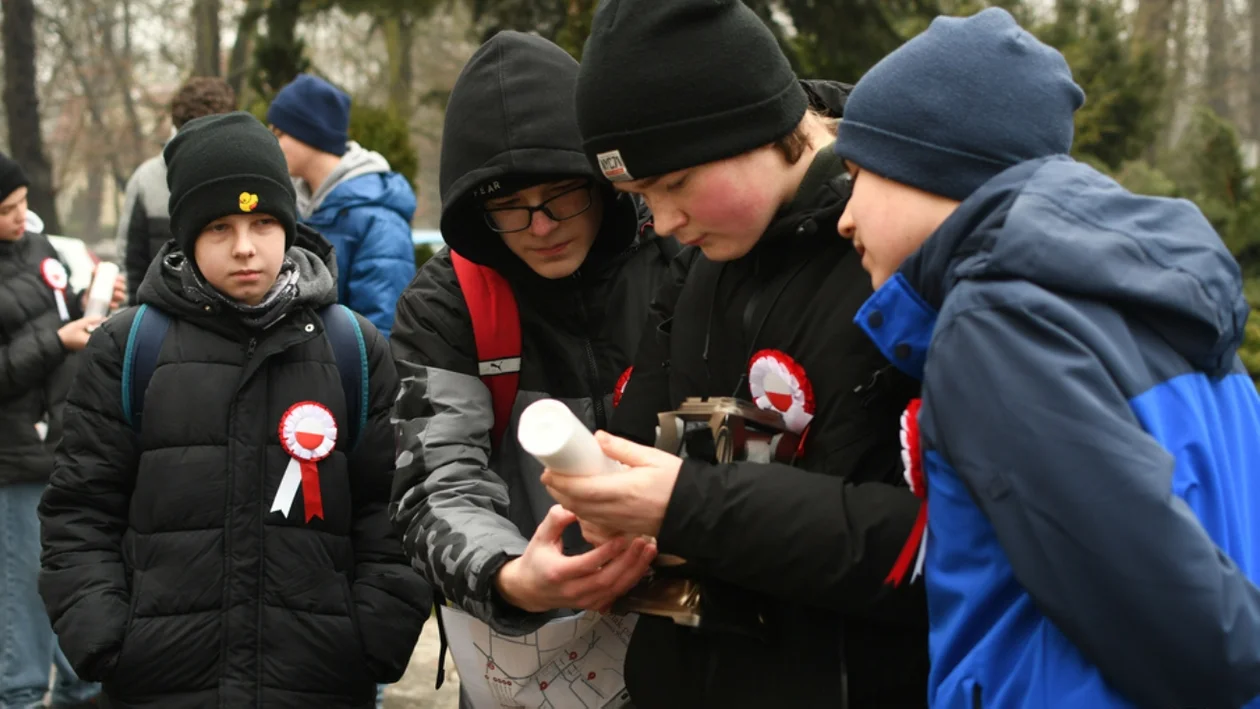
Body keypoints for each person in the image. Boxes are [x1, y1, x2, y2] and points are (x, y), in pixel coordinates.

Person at [831, 8, 1260, 709]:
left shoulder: (999, 325)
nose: (845, 215)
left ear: (931, 164)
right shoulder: (1158, 302)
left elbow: (1187, 628)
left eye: (858, 174)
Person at [543, 1, 928, 707]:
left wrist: (687, 503)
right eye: (639, 197)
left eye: (675, 184)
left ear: (760, 127)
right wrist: (611, 519)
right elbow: (688, 446)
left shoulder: (903, 253)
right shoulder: (703, 263)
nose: (663, 222)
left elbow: (938, 549)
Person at [38, 112, 430, 709]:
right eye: (219, 226)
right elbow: (80, 510)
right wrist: (105, 640)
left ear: (289, 226)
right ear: (187, 235)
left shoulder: (352, 347)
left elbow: (392, 511)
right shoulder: (128, 348)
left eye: (263, 222)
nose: (245, 247)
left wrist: (372, 638)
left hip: (318, 680)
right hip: (160, 682)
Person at [388, 30, 673, 705]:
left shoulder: (679, 249)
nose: (541, 225)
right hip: (530, 657)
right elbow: (434, 483)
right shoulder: (446, 302)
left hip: (695, 644)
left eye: (561, 194)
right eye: (510, 207)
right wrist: (512, 577)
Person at [0, 153, 118, 709]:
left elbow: (57, 309)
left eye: (22, 204)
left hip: (60, 443)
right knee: (21, 591)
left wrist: (93, 303)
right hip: (13, 457)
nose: (20, 218)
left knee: (69, 575)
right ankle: (19, 695)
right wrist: (59, 340)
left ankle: (80, 687)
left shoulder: (37, 247)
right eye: (6, 211)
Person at [267, 74, 416, 338]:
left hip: (348, 371)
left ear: (309, 134)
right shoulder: (294, 206)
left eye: (279, 132)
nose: (272, 142)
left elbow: (381, 326)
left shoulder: (378, 218)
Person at [117, 76, 237, 304]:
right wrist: (129, 328)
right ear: (178, 129)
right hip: (159, 320)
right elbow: (130, 266)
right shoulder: (146, 181)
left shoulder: (247, 177)